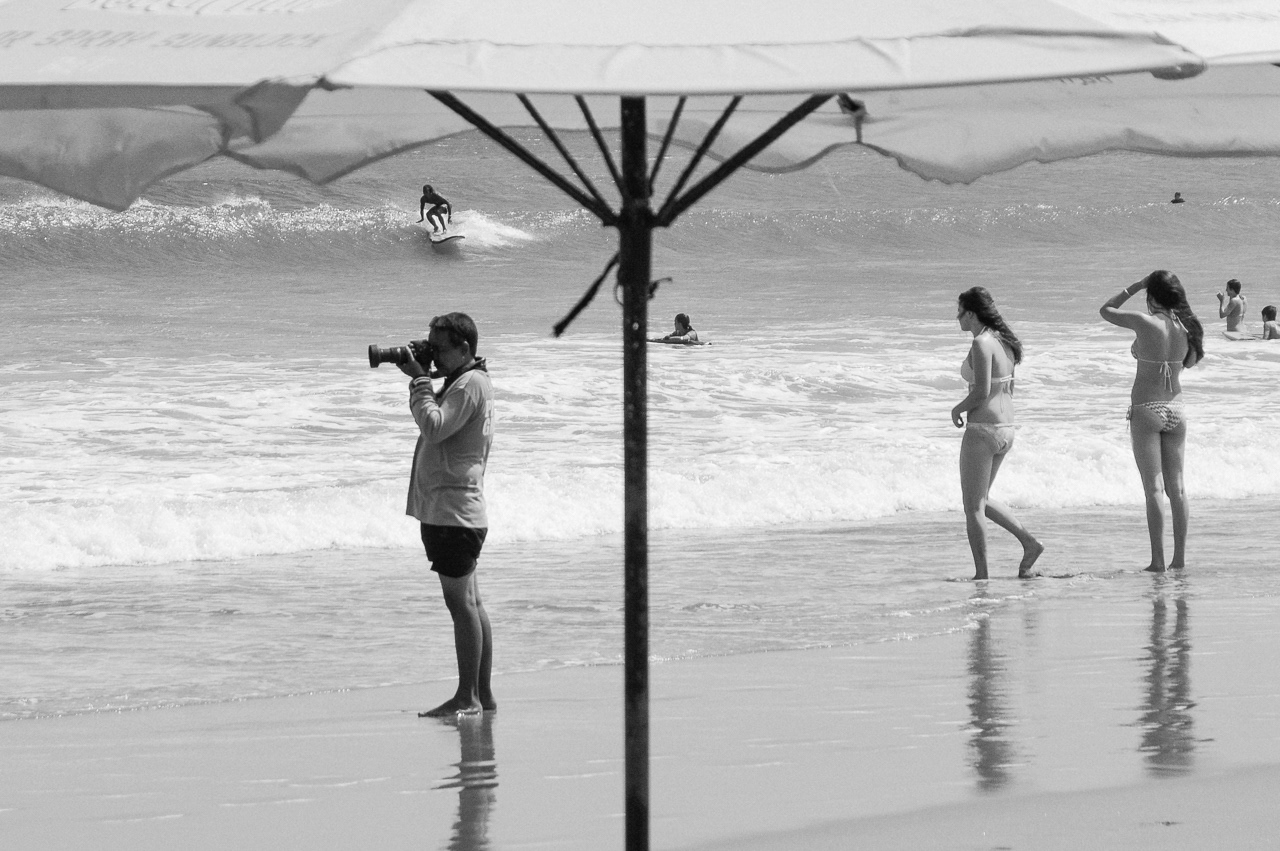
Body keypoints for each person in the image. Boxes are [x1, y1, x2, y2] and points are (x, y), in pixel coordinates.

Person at [398, 312, 496, 716]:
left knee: (462, 605)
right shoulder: (467, 381)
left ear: (464, 348)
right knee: (471, 602)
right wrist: (425, 376)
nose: (433, 355)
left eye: (438, 348)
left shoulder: (469, 384)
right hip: (456, 510)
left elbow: (435, 426)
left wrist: (420, 381)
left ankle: (467, 697)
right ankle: (481, 696)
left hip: (454, 513)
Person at [1100, 270, 1204, 572]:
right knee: (1178, 489)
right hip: (1177, 409)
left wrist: (1136, 285)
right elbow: (1190, 362)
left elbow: (1106, 310)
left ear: (1152, 295)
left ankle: (1158, 561)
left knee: (1154, 489)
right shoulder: (1186, 328)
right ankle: (1179, 559)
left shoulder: (1145, 322)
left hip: (1147, 408)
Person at [950, 287, 1043, 580]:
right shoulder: (1005, 342)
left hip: (983, 428)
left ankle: (982, 575)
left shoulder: (981, 342)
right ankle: (1029, 543)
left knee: (972, 507)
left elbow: (981, 392)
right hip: (1006, 429)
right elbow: (1008, 388)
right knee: (982, 500)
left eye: (960, 312)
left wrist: (957, 409)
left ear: (972, 313)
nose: (957, 318)